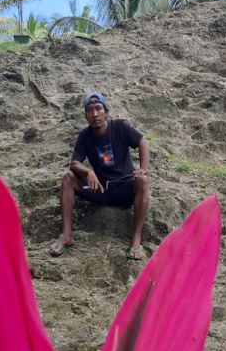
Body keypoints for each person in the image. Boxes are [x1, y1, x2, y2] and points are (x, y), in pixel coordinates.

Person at [49, 92, 150, 260]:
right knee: (68, 178)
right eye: (90, 110)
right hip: (100, 190)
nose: (94, 114)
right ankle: (66, 235)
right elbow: (74, 163)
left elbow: (142, 142)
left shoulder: (120, 127)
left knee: (142, 181)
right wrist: (88, 172)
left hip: (124, 189)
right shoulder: (84, 136)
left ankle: (136, 238)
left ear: (106, 112)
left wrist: (143, 168)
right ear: (86, 116)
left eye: (98, 109)